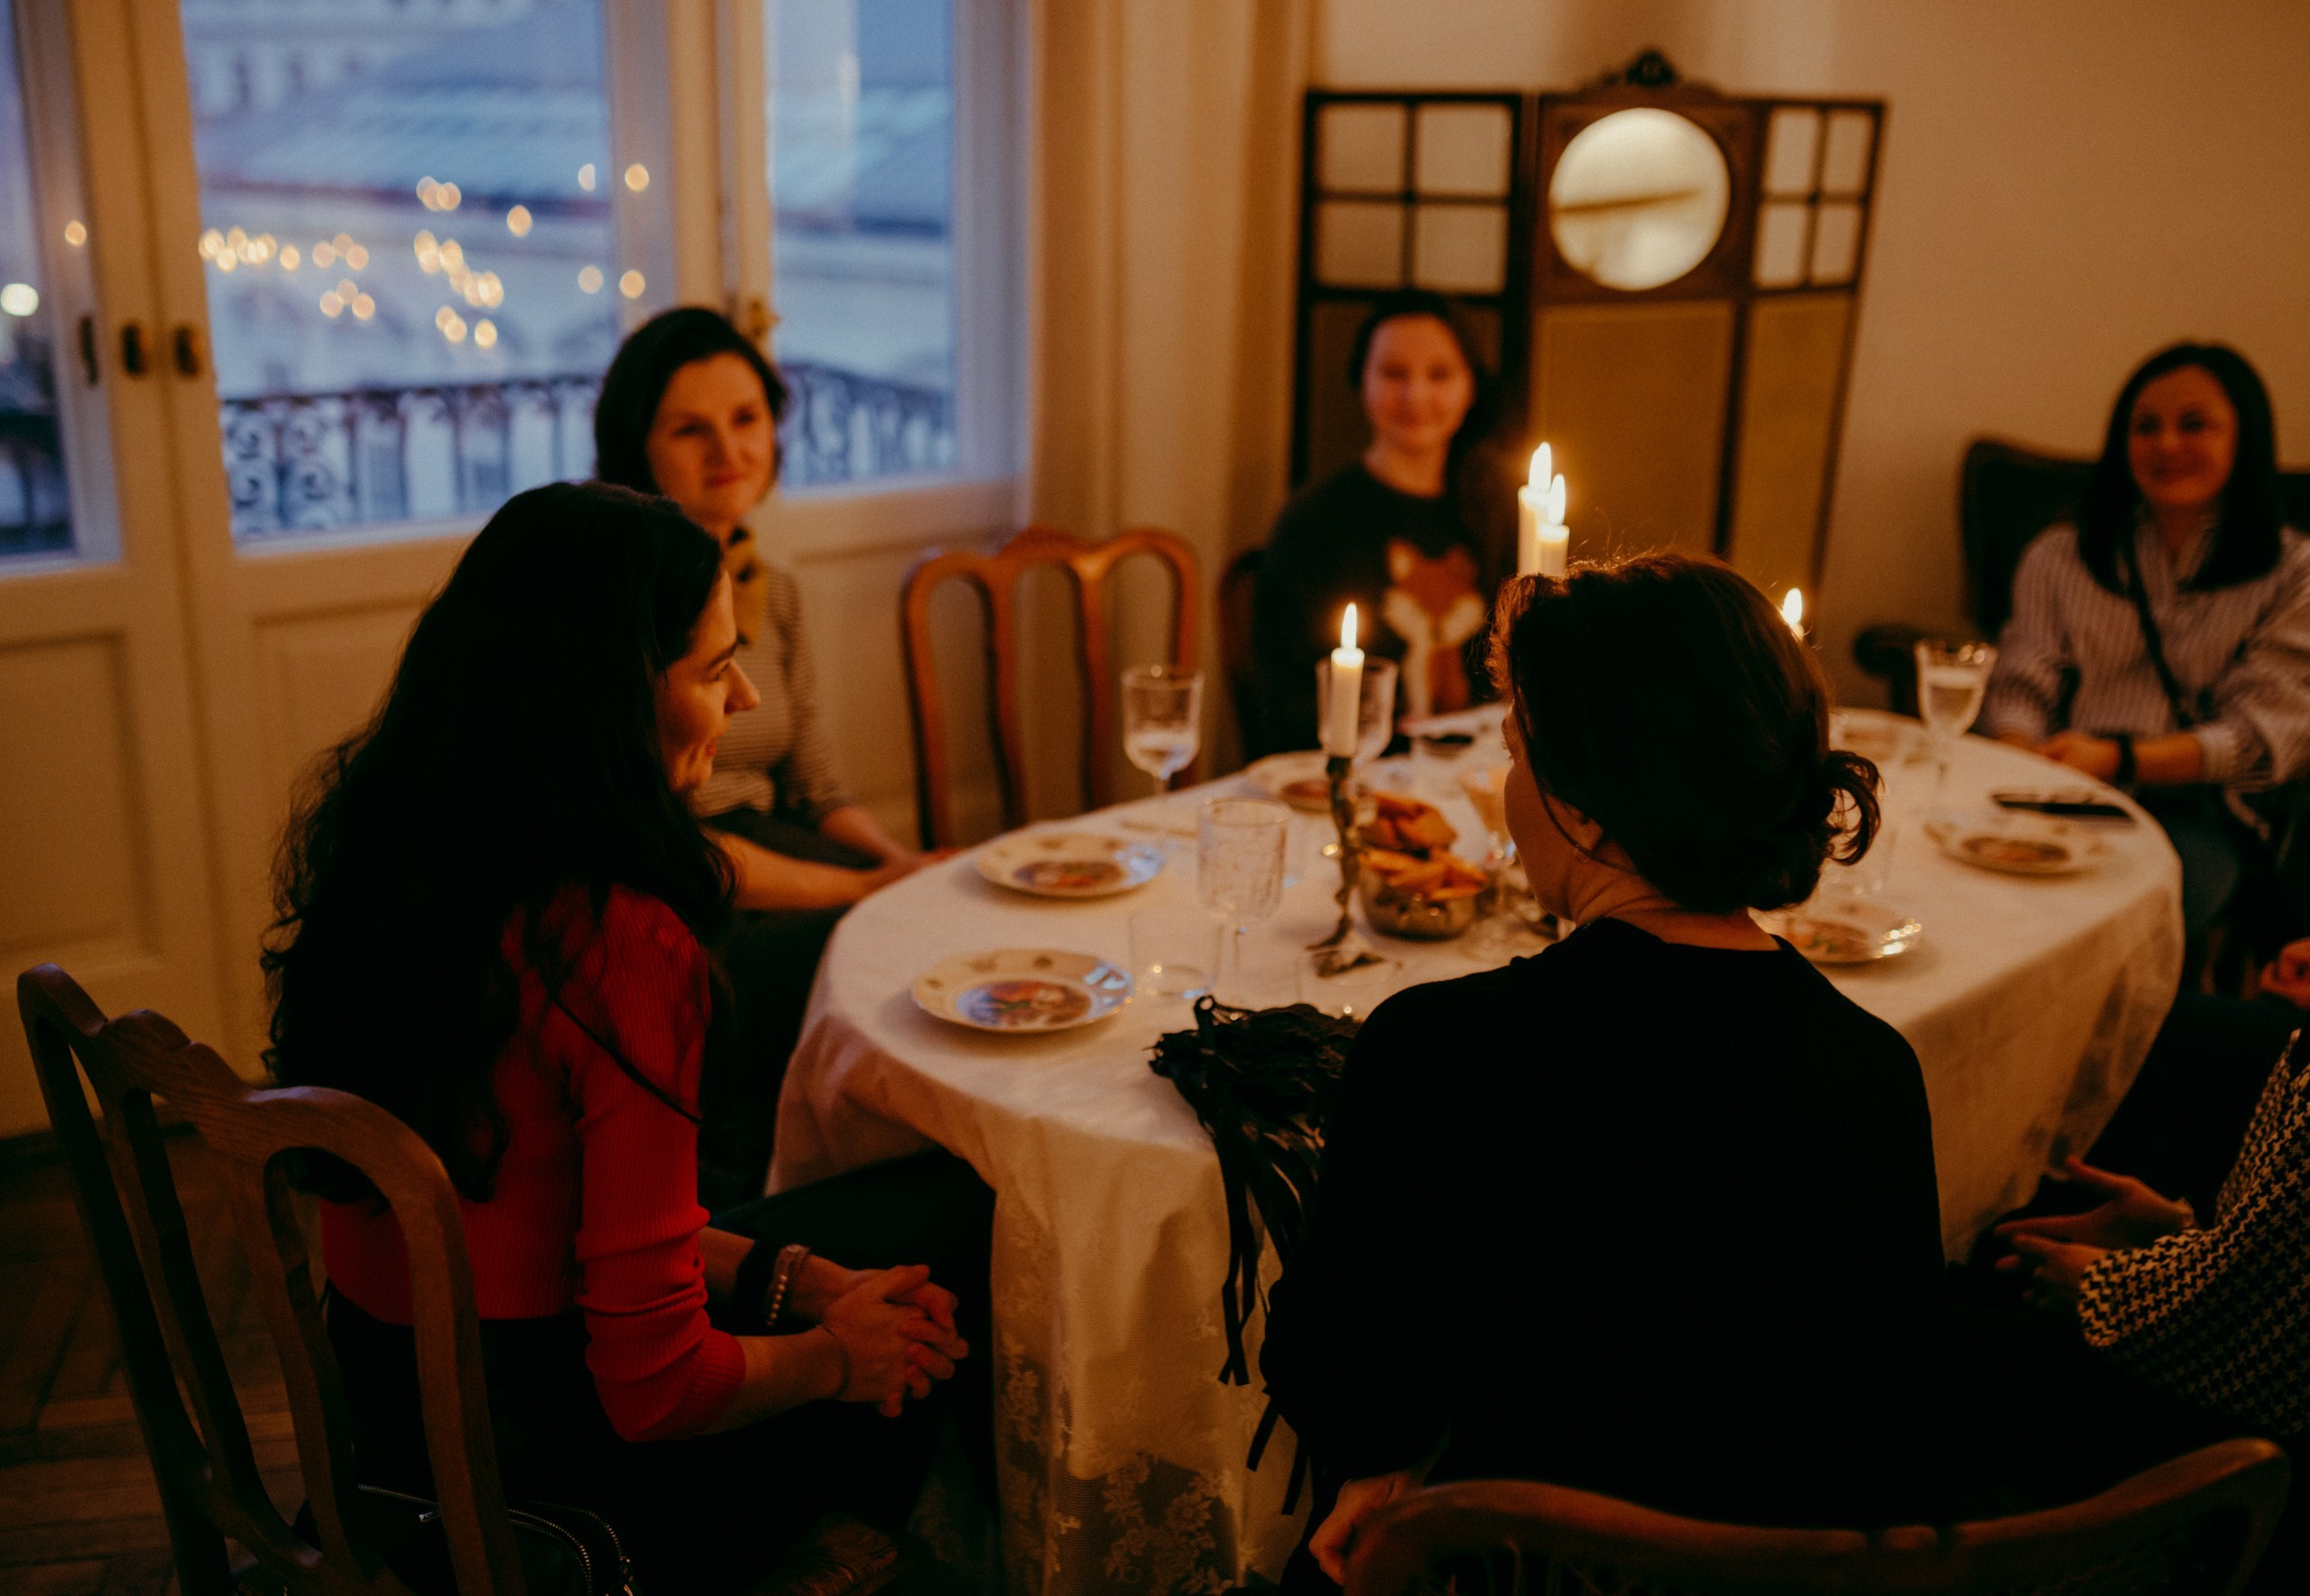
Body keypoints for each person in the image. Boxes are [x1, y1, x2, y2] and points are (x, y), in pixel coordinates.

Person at [263, 482, 992, 1592]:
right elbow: (653, 1386)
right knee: (923, 1350)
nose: (744, 695)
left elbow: (536, 1209)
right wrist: (841, 1358)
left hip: (382, 1436)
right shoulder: (616, 944)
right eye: (711, 670)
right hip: (541, 1509)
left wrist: (803, 1284)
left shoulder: (393, 851)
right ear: (605, 696)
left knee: (869, 1265)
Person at [1261, 552, 1944, 1591]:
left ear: (1583, 810)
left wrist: (1384, 1464)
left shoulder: (1441, 1047)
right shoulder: (1874, 1068)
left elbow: (1341, 1378)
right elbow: (1888, 1429)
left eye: (1513, 748)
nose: (1507, 786)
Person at [595, 307, 938, 1207]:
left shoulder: (769, 587)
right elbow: (666, 841)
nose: (729, 450)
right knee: (866, 949)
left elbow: (818, 785)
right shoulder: (618, 593)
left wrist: (901, 862)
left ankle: (876, 1184)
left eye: (746, 420)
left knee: (932, 911)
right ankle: (770, 1214)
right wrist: (861, 889)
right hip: (676, 875)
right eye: (690, 428)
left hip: (773, 837)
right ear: (635, 444)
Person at [1982, 342, 2310, 937]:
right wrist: (2018, 751)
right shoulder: (2060, 555)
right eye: (2145, 427)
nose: (2165, 445)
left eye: (2194, 425)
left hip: (2195, 812)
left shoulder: (2295, 574)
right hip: (2056, 791)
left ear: (2245, 439)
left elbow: (2265, 734)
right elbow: (2021, 679)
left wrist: (2122, 758)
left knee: (2109, 925)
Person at [1247, 289, 1513, 757]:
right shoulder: (1313, 522)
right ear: (1361, 381)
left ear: (1470, 386)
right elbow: (1284, 701)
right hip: (1360, 774)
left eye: (1440, 374)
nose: (1416, 395)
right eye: (1393, 374)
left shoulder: (1500, 513)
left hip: (1481, 771)